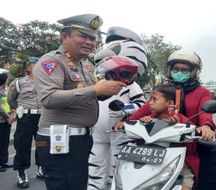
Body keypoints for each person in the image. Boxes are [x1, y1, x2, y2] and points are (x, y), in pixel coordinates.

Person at [33, 14, 126, 190]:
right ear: (64, 36)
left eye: (93, 38)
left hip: (79, 140)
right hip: (60, 140)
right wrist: (96, 90)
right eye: (83, 36)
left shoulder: (84, 65)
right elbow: (49, 98)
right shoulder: (51, 61)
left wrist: (105, 92)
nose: (90, 42)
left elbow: (85, 95)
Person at [116, 49, 216, 189]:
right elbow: (145, 109)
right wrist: (126, 123)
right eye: (176, 69)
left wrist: (206, 126)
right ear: (170, 70)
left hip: (192, 142)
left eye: (184, 70)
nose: (179, 72)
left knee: (208, 179)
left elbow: (204, 112)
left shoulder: (202, 92)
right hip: (159, 143)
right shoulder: (163, 92)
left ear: (194, 72)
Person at [88, 27, 147, 190]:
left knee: (119, 167)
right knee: (95, 166)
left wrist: (123, 108)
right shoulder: (97, 84)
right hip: (97, 132)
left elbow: (142, 106)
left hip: (120, 133)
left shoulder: (131, 85)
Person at [136, 83, 199, 190]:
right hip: (153, 159)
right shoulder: (150, 119)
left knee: (187, 177)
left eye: (154, 99)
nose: (150, 103)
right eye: (150, 99)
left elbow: (191, 147)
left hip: (177, 161)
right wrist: (143, 124)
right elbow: (140, 141)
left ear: (169, 103)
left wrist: (179, 128)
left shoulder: (183, 121)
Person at [7, 57, 43, 188]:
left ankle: (41, 168)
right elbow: (11, 100)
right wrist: (17, 110)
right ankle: (21, 173)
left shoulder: (45, 81)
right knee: (22, 145)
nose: (37, 67)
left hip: (42, 116)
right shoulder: (19, 82)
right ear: (28, 67)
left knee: (42, 143)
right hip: (26, 117)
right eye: (34, 65)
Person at [0, 68, 13, 172]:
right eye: (7, 77)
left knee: (5, 142)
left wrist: (12, 115)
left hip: (7, 121)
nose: (8, 78)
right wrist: (7, 117)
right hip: (2, 120)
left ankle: (4, 161)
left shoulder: (7, 89)